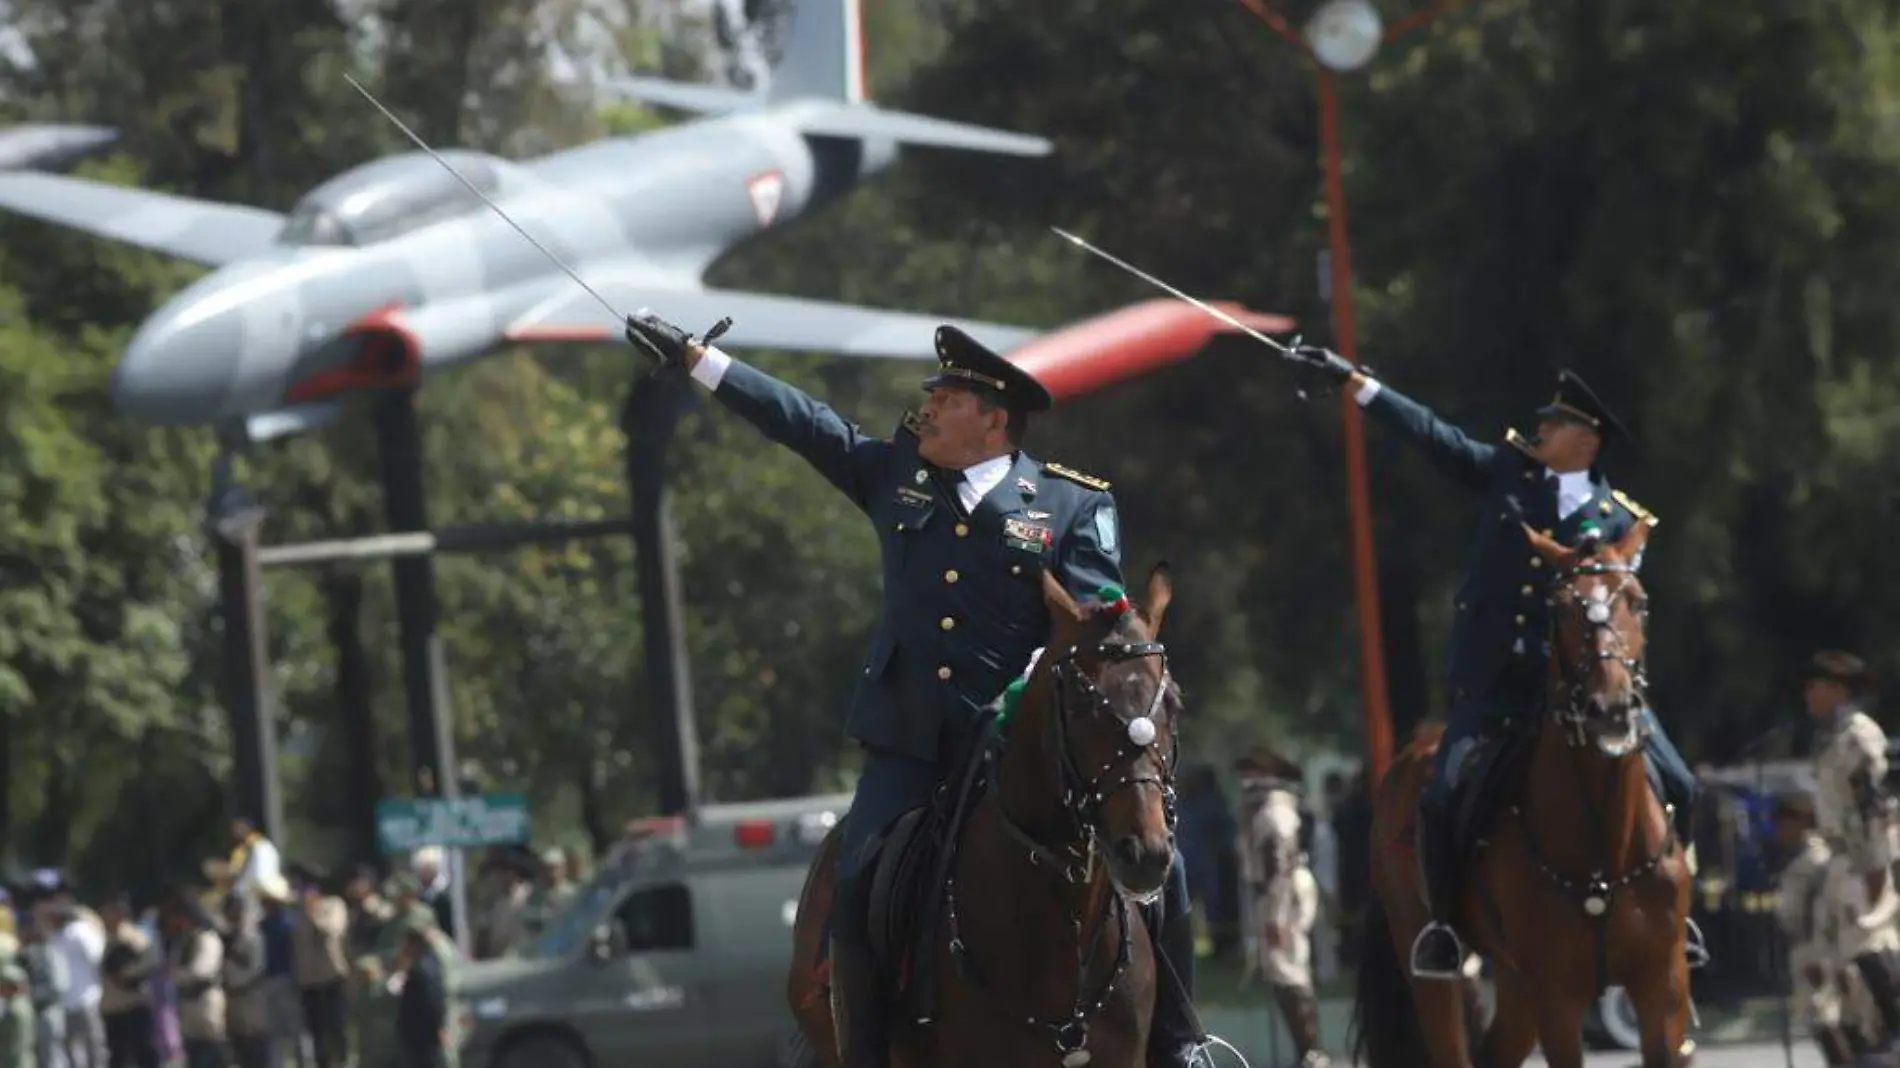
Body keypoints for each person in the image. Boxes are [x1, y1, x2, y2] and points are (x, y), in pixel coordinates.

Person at [624, 312, 1204, 1068]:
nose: (926, 407)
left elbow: (1098, 628)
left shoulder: (1070, 505)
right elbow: (805, 425)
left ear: (994, 420)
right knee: (861, 874)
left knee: (1166, 864)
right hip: (914, 741)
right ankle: (864, 1052)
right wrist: (704, 363)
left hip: (1022, 745)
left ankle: (1181, 1043)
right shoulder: (896, 476)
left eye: (947, 398)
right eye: (930, 395)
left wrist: (1059, 668)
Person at [1292, 350, 1705, 978]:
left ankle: (1678, 912)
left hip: (1586, 690)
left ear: (1586, 441)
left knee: (1681, 784)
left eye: (1554, 422)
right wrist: (1356, 382)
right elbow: (1434, 435)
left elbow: (1617, 616)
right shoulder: (1507, 475)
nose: (1538, 427)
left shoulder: (1621, 520)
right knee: (1445, 790)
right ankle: (1446, 927)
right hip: (1499, 684)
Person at [1805, 650, 1900, 1050]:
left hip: (1866, 858)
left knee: (1871, 945)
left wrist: (1876, 872)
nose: (1808, 695)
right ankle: (1873, 1042)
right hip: (1843, 858)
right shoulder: (1832, 736)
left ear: (1838, 689)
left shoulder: (1858, 736)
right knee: (1843, 958)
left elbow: (1873, 810)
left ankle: (1896, 1033)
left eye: (1815, 686)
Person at [1235, 749, 1329, 1068]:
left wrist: (1274, 916)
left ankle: (1311, 1052)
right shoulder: (1266, 810)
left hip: (1283, 896)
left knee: (1288, 971)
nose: (1246, 781)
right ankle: (1309, 1051)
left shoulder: (1274, 813)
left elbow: (1279, 868)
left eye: (1252, 773)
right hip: (1277, 894)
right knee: (1285, 970)